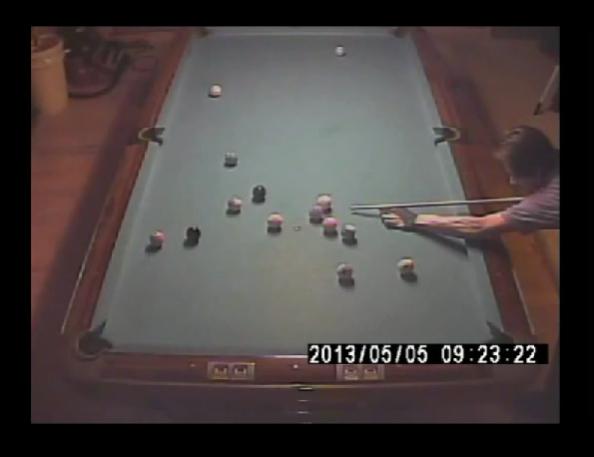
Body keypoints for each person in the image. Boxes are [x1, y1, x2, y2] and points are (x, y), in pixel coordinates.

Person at [382, 126, 559, 239]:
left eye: (515, 175)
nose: (512, 182)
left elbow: (480, 226)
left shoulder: (547, 202)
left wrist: (416, 219)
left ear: (537, 171)